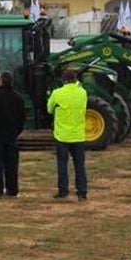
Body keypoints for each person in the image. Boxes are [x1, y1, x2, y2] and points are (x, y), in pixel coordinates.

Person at [46, 68, 89, 201]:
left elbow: (49, 109)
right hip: (78, 135)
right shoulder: (82, 92)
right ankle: (82, 192)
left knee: (62, 164)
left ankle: (63, 190)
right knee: (80, 165)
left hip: (62, 135)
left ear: (63, 80)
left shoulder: (57, 93)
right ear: (75, 79)